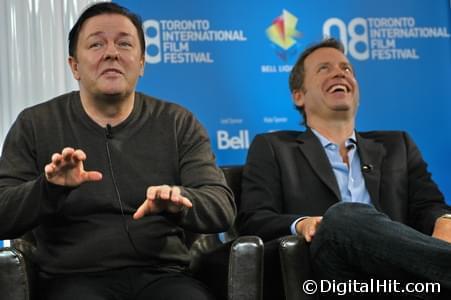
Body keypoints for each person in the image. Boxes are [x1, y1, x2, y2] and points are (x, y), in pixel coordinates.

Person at [0, 3, 235, 300]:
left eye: (124, 43)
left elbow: (221, 207)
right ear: (74, 66)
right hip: (71, 279)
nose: (111, 53)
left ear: (141, 63)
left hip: (163, 275)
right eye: (96, 44)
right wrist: (48, 188)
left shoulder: (178, 122)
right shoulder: (35, 124)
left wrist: (180, 202)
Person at [237, 38, 451, 299]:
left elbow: (430, 206)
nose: (340, 72)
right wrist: (302, 224)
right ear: (299, 95)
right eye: (324, 68)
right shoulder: (272, 146)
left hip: (399, 279)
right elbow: (254, 219)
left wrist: (444, 220)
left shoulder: (398, 144)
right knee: (342, 217)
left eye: (346, 69)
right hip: (327, 275)